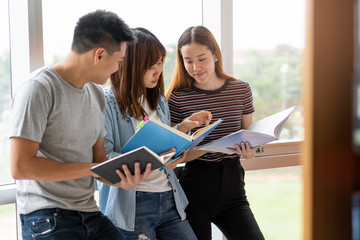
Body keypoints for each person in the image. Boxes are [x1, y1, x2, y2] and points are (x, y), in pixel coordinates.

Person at [9, 10, 151, 240]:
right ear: (99, 55)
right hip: (47, 217)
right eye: (119, 61)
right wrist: (89, 169)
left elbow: (98, 163)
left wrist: (123, 178)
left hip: (89, 213)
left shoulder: (96, 94)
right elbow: (20, 167)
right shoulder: (39, 88)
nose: (118, 68)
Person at [97, 27, 211, 240]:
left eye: (160, 62)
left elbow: (163, 145)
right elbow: (103, 160)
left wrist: (182, 131)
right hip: (132, 206)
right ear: (131, 66)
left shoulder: (158, 100)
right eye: (150, 66)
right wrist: (147, 159)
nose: (157, 71)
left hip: (169, 198)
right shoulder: (106, 102)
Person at [166, 25, 265, 240]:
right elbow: (174, 155)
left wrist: (249, 152)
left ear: (215, 55)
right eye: (188, 60)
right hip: (195, 188)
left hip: (234, 188)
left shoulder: (241, 90)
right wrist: (207, 147)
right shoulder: (178, 98)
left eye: (202, 59)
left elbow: (250, 139)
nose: (195, 67)